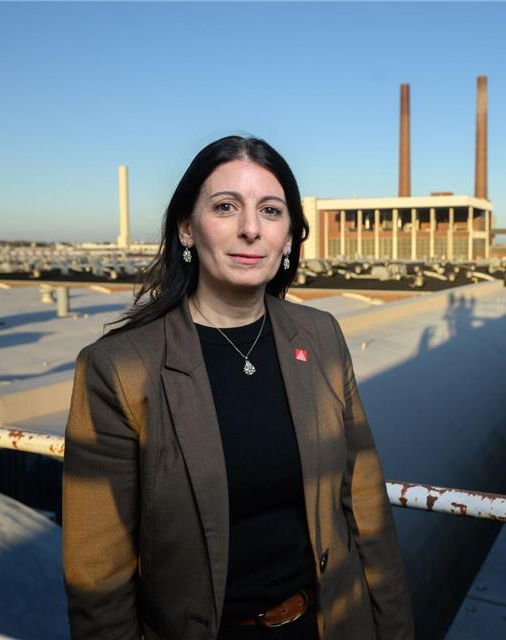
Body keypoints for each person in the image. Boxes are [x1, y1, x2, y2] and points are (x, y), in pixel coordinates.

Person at [62, 136, 414, 639]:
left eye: (271, 211)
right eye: (226, 207)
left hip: (331, 625)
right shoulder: (119, 368)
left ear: (289, 239)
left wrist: (395, 631)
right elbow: (97, 578)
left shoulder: (321, 337)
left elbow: (367, 512)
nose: (251, 229)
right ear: (187, 228)